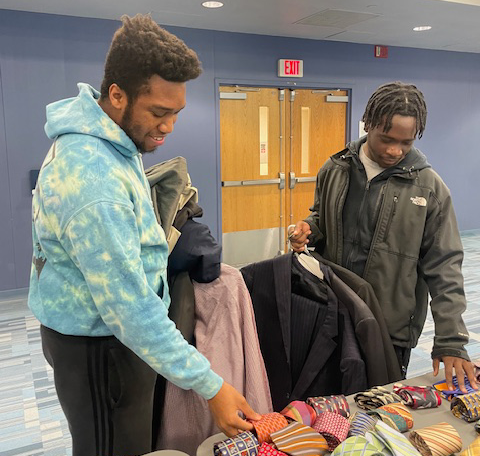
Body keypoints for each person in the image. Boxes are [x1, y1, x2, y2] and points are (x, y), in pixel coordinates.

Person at [28, 14, 260, 456]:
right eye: (159, 112)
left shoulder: (111, 139)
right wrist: (211, 386)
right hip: (100, 350)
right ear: (116, 94)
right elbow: (129, 308)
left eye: (176, 113)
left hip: (109, 338)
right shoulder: (93, 179)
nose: (169, 126)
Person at [290, 81, 477, 393]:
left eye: (406, 142)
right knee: (327, 401)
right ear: (369, 125)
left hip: (390, 327)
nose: (394, 150)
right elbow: (321, 217)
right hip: (333, 313)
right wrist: (309, 229)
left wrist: (451, 339)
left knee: (377, 406)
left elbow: (445, 266)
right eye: (386, 139)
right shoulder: (335, 169)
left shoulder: (429, 188)